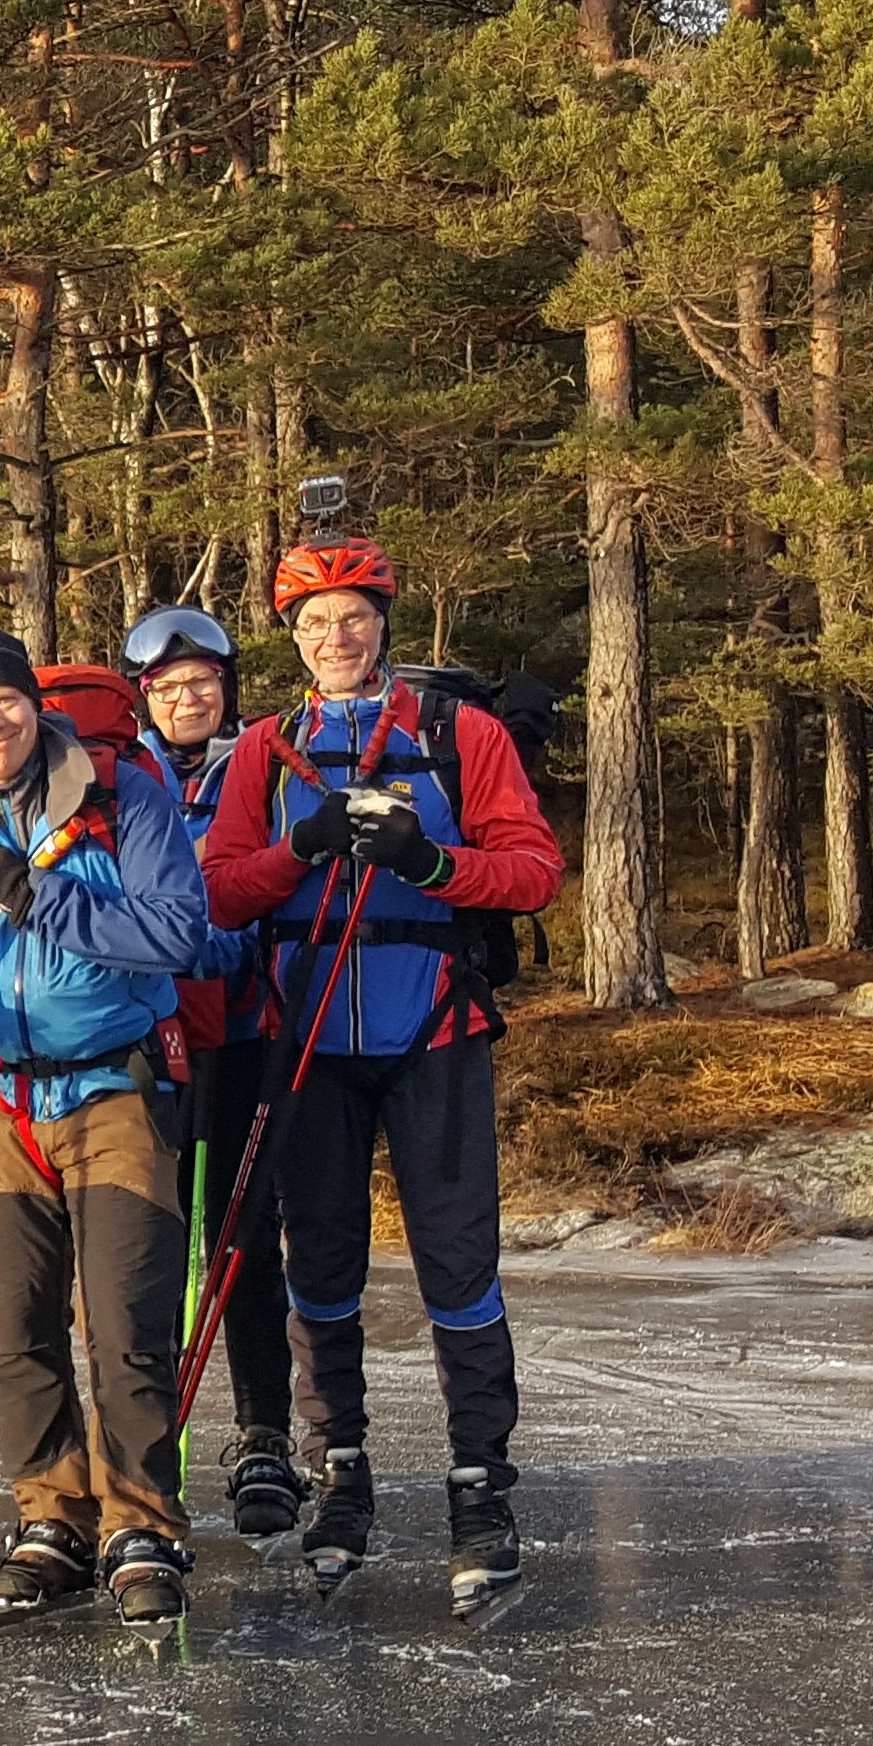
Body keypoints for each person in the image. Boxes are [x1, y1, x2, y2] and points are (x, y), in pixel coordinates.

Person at [193, 535, 566, 1607]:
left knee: (458, 1263)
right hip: (306, 1034)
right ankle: (339, 1473)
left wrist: (426, 863)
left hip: (432, 1033)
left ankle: (477, 1484)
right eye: (312, 624)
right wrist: (299, 847)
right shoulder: (263, 750)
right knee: (318, 1264)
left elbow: (532, 874)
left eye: (350, 617)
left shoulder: (462, 733)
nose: (334, 638)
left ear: (381, 625)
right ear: (292, 641)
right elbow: (220, 895)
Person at [0, 628, 211, 1621]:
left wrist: (34, 898)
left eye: (1, 702)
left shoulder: (118, 799)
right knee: (14, 1322)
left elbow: (175, 932)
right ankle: (50, 1518)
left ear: (31, 704)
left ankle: (140, 1525)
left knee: (125, 1323)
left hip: (114, 1092)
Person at [128, 603, 298, 1535]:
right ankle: (147, 1437)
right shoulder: (121, 776)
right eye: (168, 688)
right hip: (153, 1040)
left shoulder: (259, 768)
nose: (189, 700)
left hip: (239, 1033)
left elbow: (266, 890)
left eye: (204, 684)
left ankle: (263, 1429)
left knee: (240, 1238)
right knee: (150, 1241)